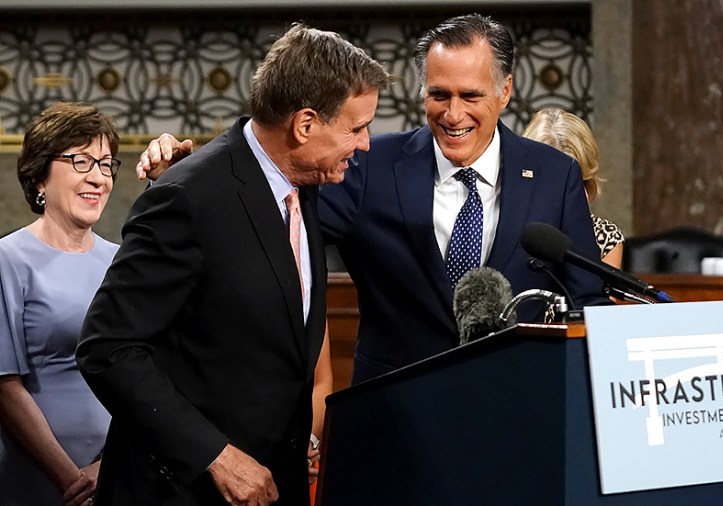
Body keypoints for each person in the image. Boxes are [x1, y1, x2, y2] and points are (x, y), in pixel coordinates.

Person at [139, 14, 608, 386]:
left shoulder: (553, 174)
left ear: (505, 91)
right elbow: (267, 210)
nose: (453, 114)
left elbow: (587, 300)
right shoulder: (369, 164)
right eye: (439, 94)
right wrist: (186, 178)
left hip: (516, 407)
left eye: (471, 95)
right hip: (397, 414)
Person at [77, 23, 389, 506]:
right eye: (356, 127)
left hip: (271, 484)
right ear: (305, 125)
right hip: (180, 491)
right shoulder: (188, 198)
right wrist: (216, 456)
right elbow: (108, 349)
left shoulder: (303, 187)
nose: (365, 143)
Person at [0, 102, 120, 506]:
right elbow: (4, 387)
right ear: (39, 177)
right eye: (81, 160)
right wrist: (73, 480)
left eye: (105, 164)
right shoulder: (7, 258)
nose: (98, 177)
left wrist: (111, 468)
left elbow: (150, 374)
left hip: (120, 475)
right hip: (41, 482)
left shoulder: (124, 262)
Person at [522, 108, 625, 268]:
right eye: (554, 184)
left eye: (577, 182)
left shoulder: (605, 236)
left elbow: (602, 294)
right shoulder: (503, 225)